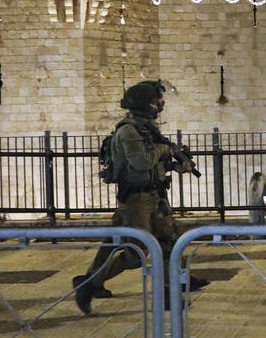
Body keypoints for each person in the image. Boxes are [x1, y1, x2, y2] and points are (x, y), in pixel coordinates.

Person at [74, 81, 205, 314]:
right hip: (136, 201)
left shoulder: (147, 127)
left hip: (154, 195)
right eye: (157, 100)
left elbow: (154, 164)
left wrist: (176, 165)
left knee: (167, 243)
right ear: (146, 104)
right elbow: (141, 161)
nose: (161, 103)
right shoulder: (127, 130)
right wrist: (165, 150)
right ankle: (89, 284)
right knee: (136, 253)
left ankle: (167, 295)